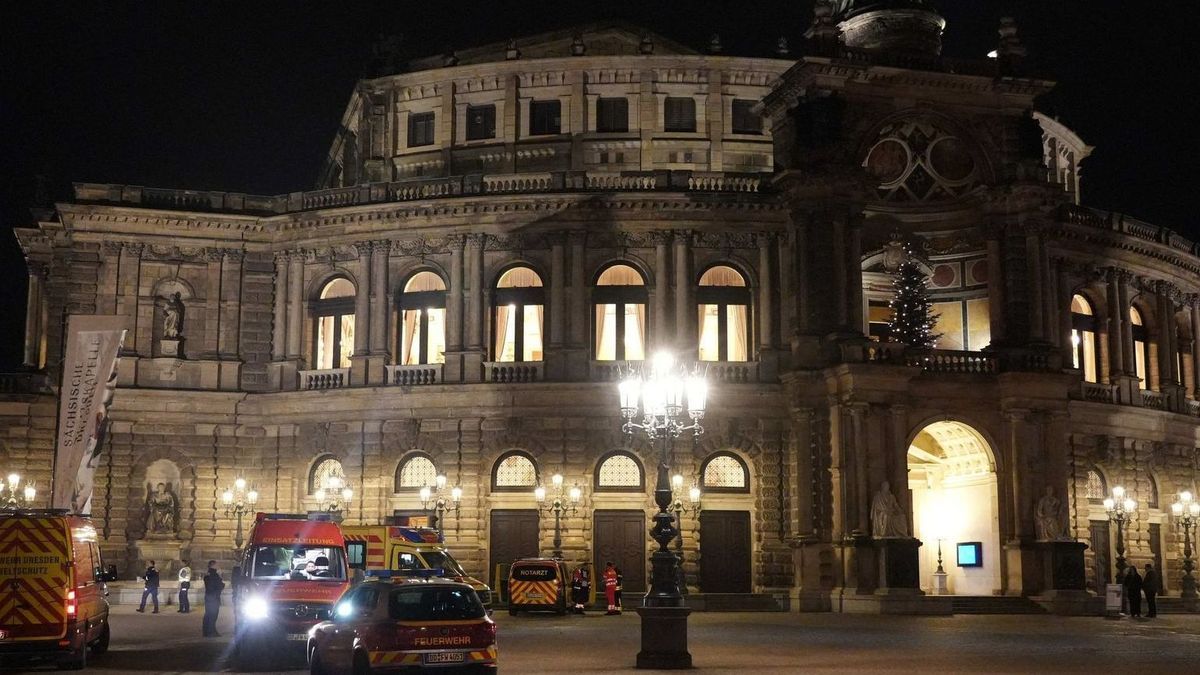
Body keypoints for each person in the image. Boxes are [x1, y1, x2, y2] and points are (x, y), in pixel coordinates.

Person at [203, 560, 225, 637]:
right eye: (217, 564)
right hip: (214, 597)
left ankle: (206, 631)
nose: (218, 566)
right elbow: (219, 586)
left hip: (208, 596)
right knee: (213, 615)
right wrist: (222, 581)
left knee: (208, 614)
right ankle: (211, 632)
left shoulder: (207, 574)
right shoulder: (214, 575)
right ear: (213, 565)